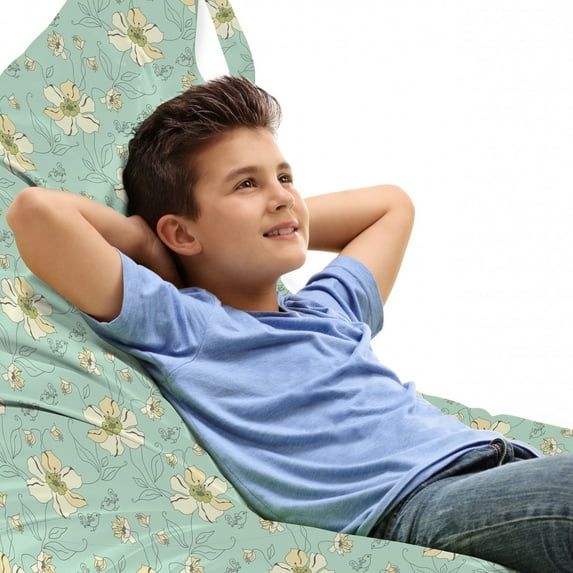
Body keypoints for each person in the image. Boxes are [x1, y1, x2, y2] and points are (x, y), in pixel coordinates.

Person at [7, 76, 573, 572]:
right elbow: (36, 214)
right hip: (415, 502)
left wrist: (279, 216)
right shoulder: (189, 327)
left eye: (284, 177)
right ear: (180, 232)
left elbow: (391, 205)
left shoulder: (329, 309)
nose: (281, 196)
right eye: (246, 184)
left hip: (500, 461)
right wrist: (150, 246)